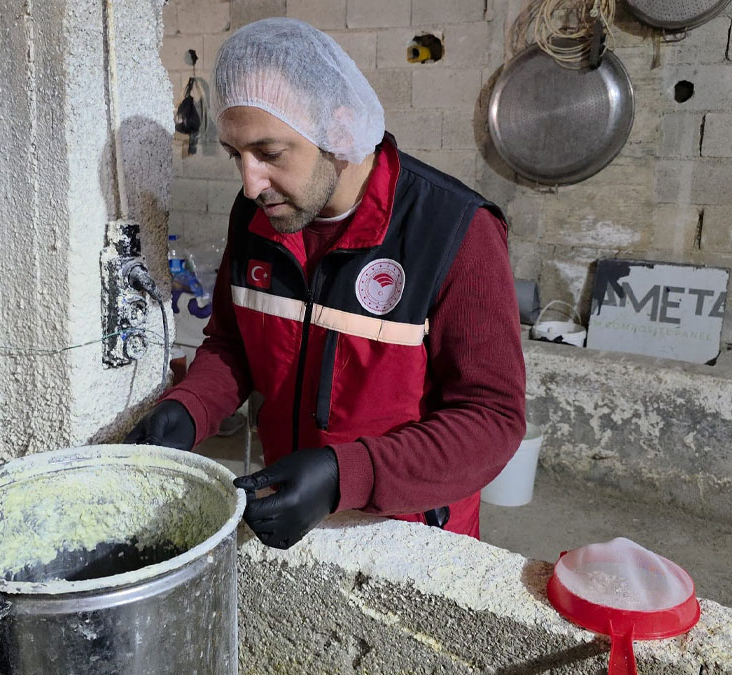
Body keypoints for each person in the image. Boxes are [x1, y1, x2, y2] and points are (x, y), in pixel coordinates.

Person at [126, 18, 526, 549]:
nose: (250, 183)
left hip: (408, 535)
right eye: (236, 155)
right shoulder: (255, 218)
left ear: (338, 131)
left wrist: (347, 474)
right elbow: (233, 344)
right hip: (290, 509)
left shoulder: (454, 231)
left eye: (269, 153)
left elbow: (491, 422)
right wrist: (191, 407)